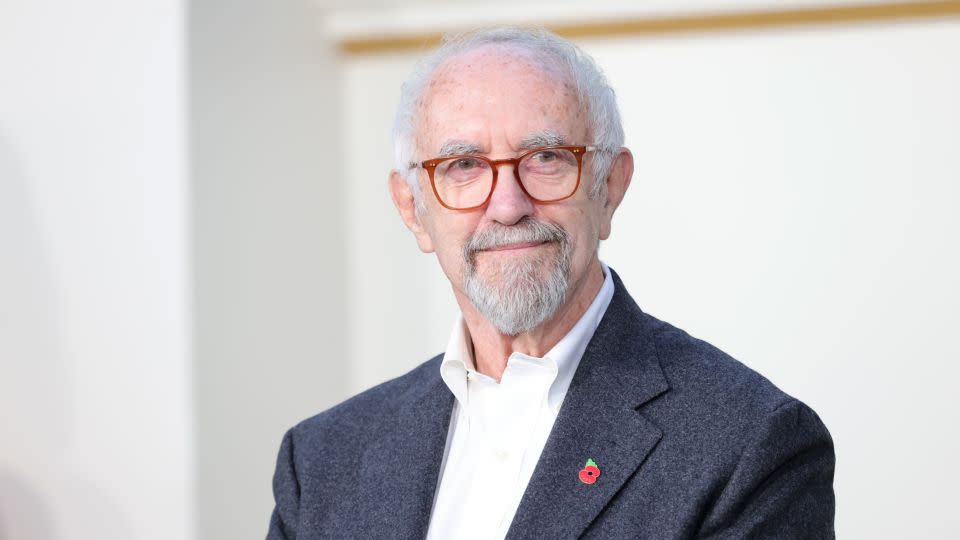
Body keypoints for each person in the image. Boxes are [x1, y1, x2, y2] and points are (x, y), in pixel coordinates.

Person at [267, 26, 835, 539]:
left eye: (545, 157)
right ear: (412, 209)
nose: (508, 206)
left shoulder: (749, 445)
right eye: (463, 166)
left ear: (610, 188)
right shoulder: (321, 462)